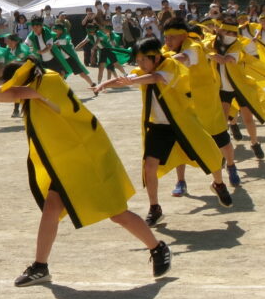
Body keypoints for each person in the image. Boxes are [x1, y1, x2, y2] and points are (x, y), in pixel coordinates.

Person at [0, 60, 171, 286]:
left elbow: (13, 93)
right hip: (70, 161)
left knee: (116, 212)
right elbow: (11, 92)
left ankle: (157, 248)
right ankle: (40, 266)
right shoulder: (38, 83)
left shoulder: (48, 80)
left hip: (88, 156)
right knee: (52, 207)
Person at [95, 37, 232, 227]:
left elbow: (155, 78)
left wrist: (130, 81)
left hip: (183, 124)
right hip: (158, 127)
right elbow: (127, 78)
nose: (141, 64)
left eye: (144, 59)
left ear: (157, 57)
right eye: (138, 60)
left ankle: (218, 184)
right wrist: (104, 84)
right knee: (149, 167)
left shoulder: (170, 66)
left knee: (210, 154)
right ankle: (155, 207)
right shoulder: (142, 72)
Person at [161, 20, 240, 196]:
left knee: (222, 141)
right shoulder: (165, 50)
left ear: (183, 36)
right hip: (184, 107)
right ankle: (181, 181)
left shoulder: (194, 47)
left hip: (206, 104)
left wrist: (161, 63)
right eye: (166, 37)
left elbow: (184, 58)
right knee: (180, 145)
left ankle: (231, 166)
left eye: (172, 37)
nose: (168, 40)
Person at [208, 16, 265, 160]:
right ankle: (224, 149)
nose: (230, 36)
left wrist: (207, 52)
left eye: (233, 33)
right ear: (220, 31)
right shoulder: (212, 43)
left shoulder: (237, 46)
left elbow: (224, 60)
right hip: (223, 88)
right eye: (227, 32)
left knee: (248, 119)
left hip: (240, 87)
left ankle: (254, 142)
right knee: (222, 121)